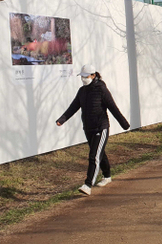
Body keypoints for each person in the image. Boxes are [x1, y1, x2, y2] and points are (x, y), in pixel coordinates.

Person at [56, 64, 130, 195]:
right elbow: (73, 107)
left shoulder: (101, 89)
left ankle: (87, 185)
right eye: (82, 77)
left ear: (93, 75)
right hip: (88, 128)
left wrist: (124, 124)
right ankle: (107, 176)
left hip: (100, 127)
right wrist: (62, 119)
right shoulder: (82, 91)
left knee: (94, 156)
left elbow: (113, 107)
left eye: (86, 76)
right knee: (99, 153)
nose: (83, 79)